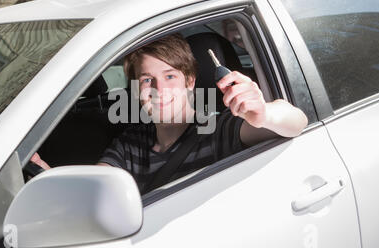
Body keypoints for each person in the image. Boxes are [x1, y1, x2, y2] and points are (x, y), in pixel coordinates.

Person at [32, 33, 308, 194]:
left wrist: (263, 114)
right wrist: (53, 179)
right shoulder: (132, 142)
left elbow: (296, 121)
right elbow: (98, 185)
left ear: (190, 81)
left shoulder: (217, 128)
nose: (159, 89)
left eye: (170, 76)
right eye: (147, 80)